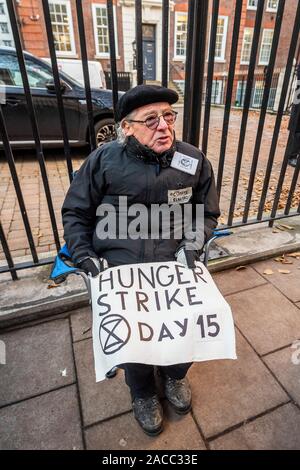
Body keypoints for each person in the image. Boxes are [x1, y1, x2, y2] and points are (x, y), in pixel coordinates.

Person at [62, 84, 220, 436]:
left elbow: (207, 214)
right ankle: (143, 391)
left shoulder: (192, 159)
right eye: (151, 119)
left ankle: (175, 374)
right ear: (127, 127)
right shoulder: (103, 161)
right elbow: (76, 212)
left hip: (175, 262)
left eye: (168, 116)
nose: (164, 126)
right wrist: (84, 254)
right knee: (131, 331)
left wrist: (192, 244)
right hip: (121, 265)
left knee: (190, 320)